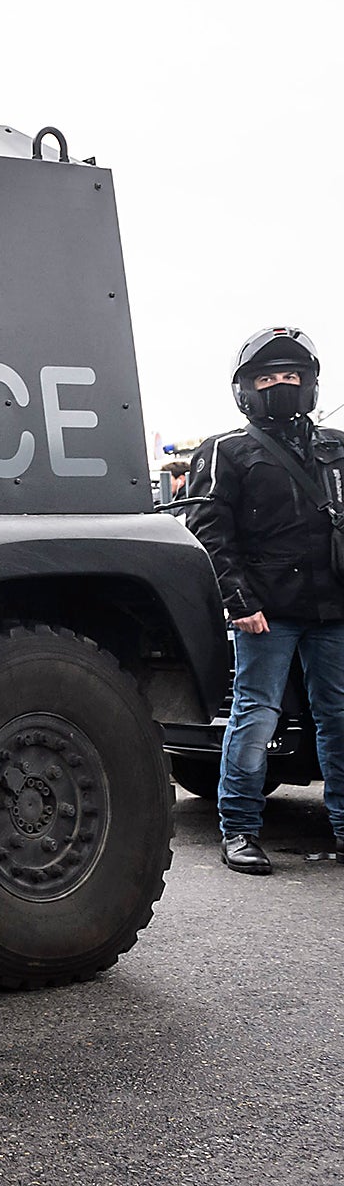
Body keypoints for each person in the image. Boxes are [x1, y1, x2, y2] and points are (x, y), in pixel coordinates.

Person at [182, 327, 344, 873]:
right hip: (265, 613)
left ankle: (343, 827)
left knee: (339, 719)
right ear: (246, 388)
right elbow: (210, 531)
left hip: (333, 609)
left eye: (291, 376)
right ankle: (240, 831)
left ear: (310, 383)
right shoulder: (226, 450)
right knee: (255, 717)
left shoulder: (336, 449)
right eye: (268, 377)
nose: (281, 384)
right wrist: (238, 601)